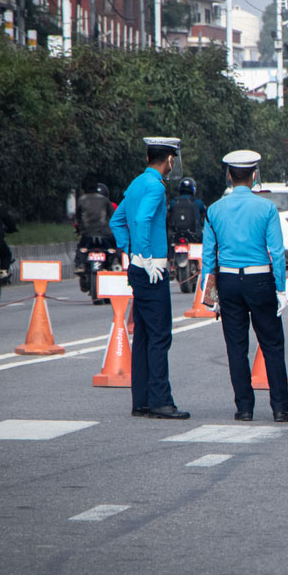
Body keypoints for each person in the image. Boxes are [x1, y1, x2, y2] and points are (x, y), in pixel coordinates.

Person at [202, 150, 288, 423]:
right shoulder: (266, 208)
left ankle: (244, 407)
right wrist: (280, 289)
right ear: (254, 176)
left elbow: (208, 256)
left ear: (229, 176)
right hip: (260, 280)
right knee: (272, 344)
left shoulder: (214, 209)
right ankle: (280, 408)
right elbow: (276, 252)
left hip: (228, 281)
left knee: (236, 347)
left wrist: (210, 294)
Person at [110, 137, 189, 420]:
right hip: (151, 269)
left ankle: (141, 400)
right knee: (159, 336)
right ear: (169, 160)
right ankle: (160, 401)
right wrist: (145, 256)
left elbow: (117, 221)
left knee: (143, 335)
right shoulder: (155, 186)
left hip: (138, 267)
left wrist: (129, 251)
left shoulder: (135, 184)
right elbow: (143, 220)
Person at [74, 181, 116, 274]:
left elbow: (78, 218)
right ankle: (113, 264)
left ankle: (79, 265)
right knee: (113, 250)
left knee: (81, 249)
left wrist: (80, 230)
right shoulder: (106, 201)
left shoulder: (82, 200)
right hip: (105, 234)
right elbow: (114, 217)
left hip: (87, 234)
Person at [166, 177, 207, 244]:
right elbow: (207, 218)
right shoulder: (198, 203)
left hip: (176, 236)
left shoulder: (173, 202)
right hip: (195, 236)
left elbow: (167, 218)